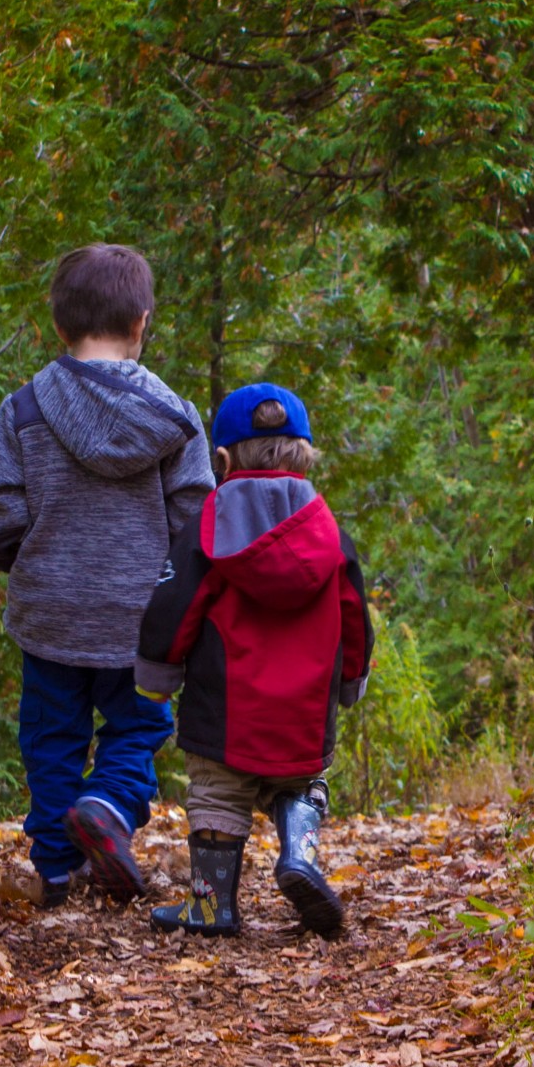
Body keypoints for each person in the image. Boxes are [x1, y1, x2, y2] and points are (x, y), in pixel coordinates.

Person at [0, 244, 214, 907]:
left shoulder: (23, 410)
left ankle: (55, 867)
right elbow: (194, 521)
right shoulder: (176, 418)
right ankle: (107, 804)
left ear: (58, 324)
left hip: (51, 612)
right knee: (137, 728)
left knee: (52, 737)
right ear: (141, 322)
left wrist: (30, 558)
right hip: (140, 618)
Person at [135, 383, 374, 939]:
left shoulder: (207, 527)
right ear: (306, 453)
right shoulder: (331, 534)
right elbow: (355, 614)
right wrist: (350, 680)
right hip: (305, 713)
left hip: (225, 712)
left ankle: (212, 906)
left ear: (222, 459)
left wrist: (158, 673)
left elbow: (174, 604)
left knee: (217, 796)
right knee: (302, 783)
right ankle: (298, 848)